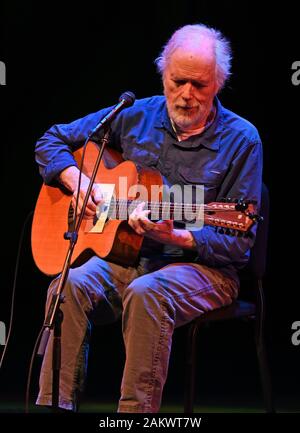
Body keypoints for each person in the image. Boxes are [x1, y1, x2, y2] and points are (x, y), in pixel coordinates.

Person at [35, 23, 262, 413]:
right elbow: (51, 140)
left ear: (218, 84)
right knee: (66, 285)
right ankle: (54, 406)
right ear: (163, 75)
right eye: (177, 82)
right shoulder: (134, 115)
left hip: (203, 268)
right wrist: (80, 183)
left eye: (200, 85)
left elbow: (239, 245)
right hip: (129, 258)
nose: (187, 95)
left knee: (148, 292)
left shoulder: (243, 140)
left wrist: (176, 237)